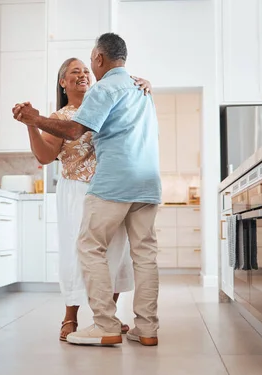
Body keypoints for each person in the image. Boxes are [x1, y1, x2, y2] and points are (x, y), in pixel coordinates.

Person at [13, 32, 161, 347]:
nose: (84, 74)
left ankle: (105, 323)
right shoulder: (137, 89)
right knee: (144, 255)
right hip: (144, 183)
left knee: (94, 250)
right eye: (74, 72)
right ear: (62, 83)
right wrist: (36, 122)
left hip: (111, 184)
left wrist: (33, 117)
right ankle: (146, 329)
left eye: (86, 67)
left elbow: (75, 129)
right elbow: (48, 152)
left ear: (98, 59)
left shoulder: (107, 89)